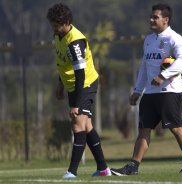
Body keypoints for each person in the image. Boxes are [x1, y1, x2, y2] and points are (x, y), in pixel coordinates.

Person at [110, 3, 182, 176]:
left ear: (166, 20)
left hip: (170, 91)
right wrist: (137, 90)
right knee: (144, 129)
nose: (151, 19)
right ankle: (133, 166)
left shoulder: (175, 38)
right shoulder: (148, 39)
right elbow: (144, 66)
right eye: (151, 17)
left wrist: (163, 76)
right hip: (150, 93)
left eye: (155, 17)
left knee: (175, 128)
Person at [46, 3, 111, 178]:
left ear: (67, 22)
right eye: (52, 24)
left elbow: (80, 74)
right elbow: (63, 65)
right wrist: (60, 85)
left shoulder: (75, 42)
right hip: (72, 86)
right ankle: (103, 169)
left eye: (57, 25)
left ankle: (72, 172)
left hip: (85, 84)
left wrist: (75, 104)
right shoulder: (58, 36)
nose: (54, 28)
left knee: (77, 124)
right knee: (87, 126)